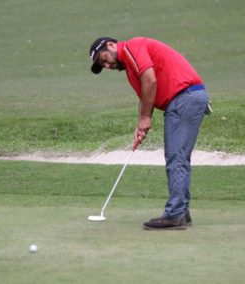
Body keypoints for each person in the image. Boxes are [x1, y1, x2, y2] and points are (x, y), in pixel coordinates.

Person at [89, 37, 211, 230]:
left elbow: (150, 79)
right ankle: (180, 210)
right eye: (102, 65)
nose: (107, 66)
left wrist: (146, 117)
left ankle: (175, 215)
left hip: (184, 97)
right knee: (178, 157)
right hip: (186, 98)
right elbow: (145, 94)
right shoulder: (130, 68)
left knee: (176, 157)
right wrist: (141, 124)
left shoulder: (131, 47)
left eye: (104, 59)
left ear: (111, 46)